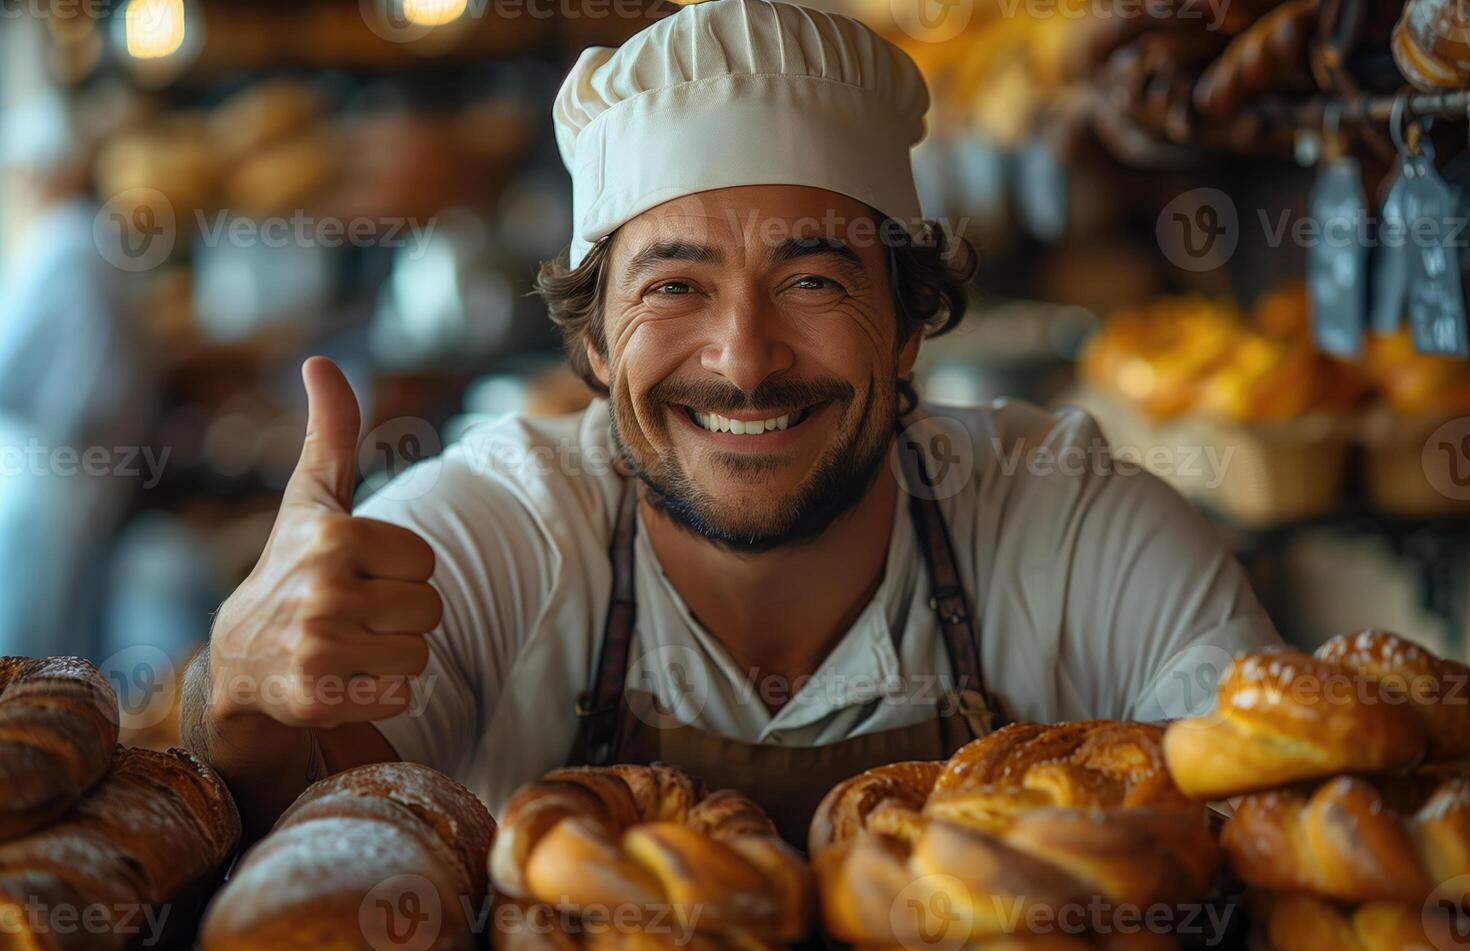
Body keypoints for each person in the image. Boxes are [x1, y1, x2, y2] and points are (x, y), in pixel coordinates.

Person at [183, 0, 1280, 842]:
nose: (745, 360)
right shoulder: (497, 528)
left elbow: (1274, 802)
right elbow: (312, 842)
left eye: (813, 280)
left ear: (907, 327)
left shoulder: (1077, 524)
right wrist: (239, 694)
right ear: (596, 345)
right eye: (674, 287)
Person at [0, 91, 151, 663]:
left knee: (25, 654)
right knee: (60, 648)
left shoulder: (58, 244)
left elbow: (6, 369)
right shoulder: (94, 241)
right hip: (82, 475)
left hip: (49, 473)